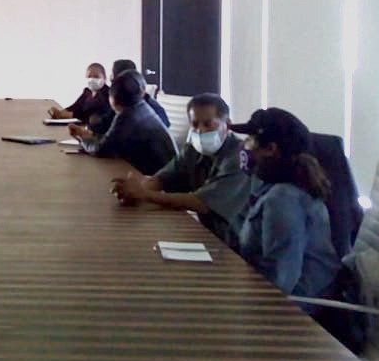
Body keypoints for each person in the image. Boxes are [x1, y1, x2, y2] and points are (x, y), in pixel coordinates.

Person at [110, 94, 252, 247]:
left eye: (208, 124)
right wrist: (134, 189)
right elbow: (163, 178)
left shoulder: (239, 157)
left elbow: (201, 203)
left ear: (227, 125)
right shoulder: (193, 149)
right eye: (195, 125)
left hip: (237, 246)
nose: (200, 131)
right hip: (206, 234)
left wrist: (145, 194)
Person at [229, 108, 341, 299]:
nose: (244, 147)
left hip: (293, 306)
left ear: (270, 149)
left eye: (250, 140)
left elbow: (279, 282)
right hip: (266, 290)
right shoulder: (269, 187)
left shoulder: (283, 199)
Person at [69, 70, 177, 174]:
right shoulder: (141, 106)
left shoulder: (128, 116)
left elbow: (101, 150)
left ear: (115, 100)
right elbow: (111, 139)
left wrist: (82, 138)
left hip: (159, 180)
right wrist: (91, 136)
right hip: (166, 173)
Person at [47, 63, 113, 130]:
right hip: (82, 127)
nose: (92, 80)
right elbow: (76, 106)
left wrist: (67, 115)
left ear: (104, 77)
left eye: (96, 77)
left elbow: (93, 113)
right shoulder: (87, 91)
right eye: (89, 77)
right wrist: (62, 112)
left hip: (96, 130)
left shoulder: (108, 94)